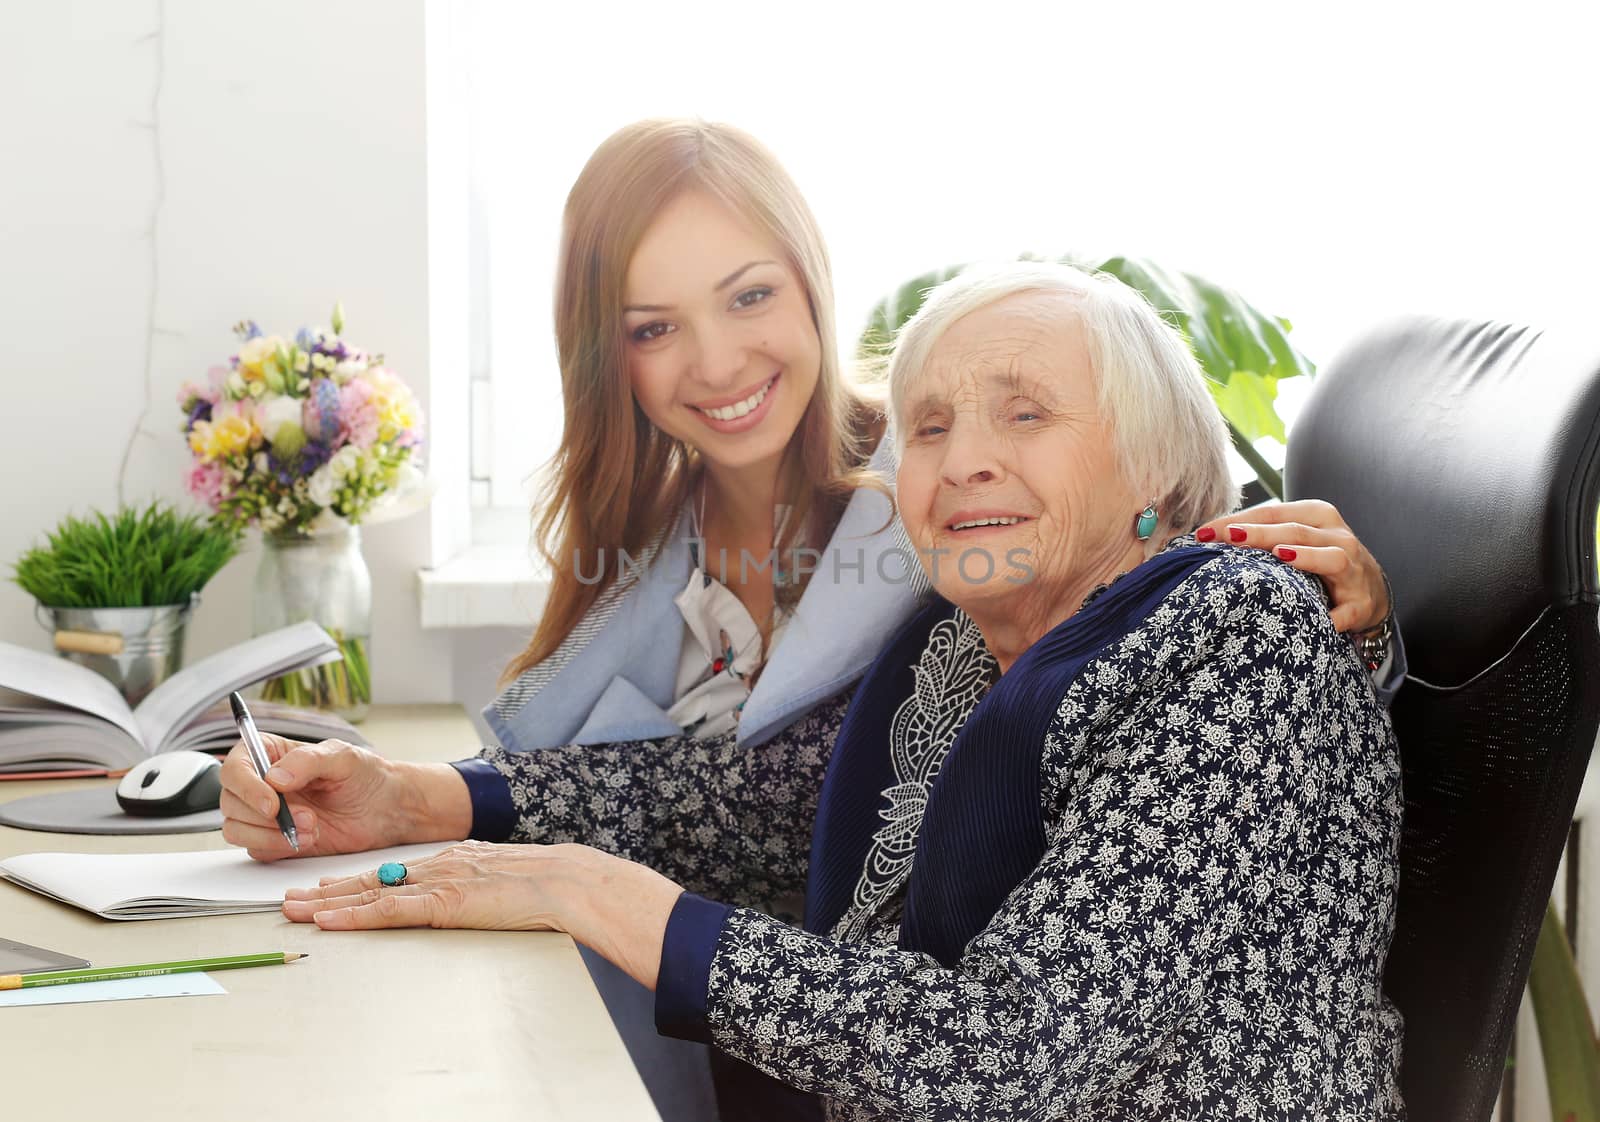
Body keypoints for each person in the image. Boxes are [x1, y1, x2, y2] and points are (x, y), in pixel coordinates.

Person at [223, 260, 1405, 1120]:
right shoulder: (958, 649)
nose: (962, 457)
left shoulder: (1228, 632)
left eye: (1026, 415)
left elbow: (1002, 1057)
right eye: (929, 427)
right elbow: (743, 811)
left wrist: (591, 893)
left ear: (1156, 472)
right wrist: (416, 798)